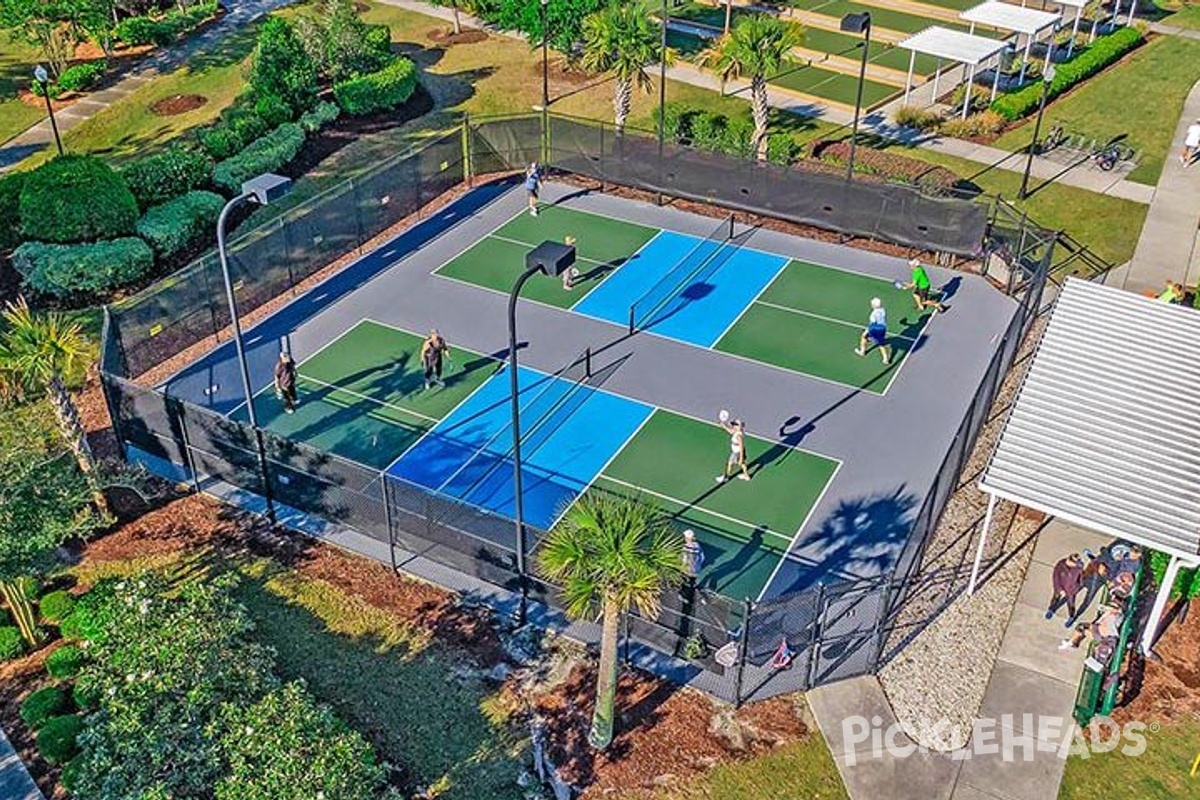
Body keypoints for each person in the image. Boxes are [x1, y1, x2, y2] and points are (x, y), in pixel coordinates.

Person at [1046, 553, 1084, 622]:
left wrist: (1077, 586)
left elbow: (1080, 577)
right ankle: (1051, 609)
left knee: (1071, 604)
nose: (1077, 564)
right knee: (1055, 598)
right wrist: (1059, 589)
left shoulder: (1079, 567)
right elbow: (1056, 577)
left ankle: (1071, 616)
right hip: (1059, 588)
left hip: (1071, 590)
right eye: (1075, 563)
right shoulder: (1061, 564)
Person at [855, 298, 892, 366]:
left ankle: (862, 352)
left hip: (875, 328)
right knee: (881, 344)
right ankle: (885, 359)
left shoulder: (873, 314)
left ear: (873, 305)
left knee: (864, 336)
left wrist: (867, 331)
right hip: (883, 328)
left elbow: (872, 324)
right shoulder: (883, 310)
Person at [716, 417, 751, 483]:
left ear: (739, 426)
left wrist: (741, 457)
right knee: (742, 464)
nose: (733, 426)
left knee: (730, 463)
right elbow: (731, 431)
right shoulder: (737, 431)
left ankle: (726, 477)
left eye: (735, 425)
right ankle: (746, 476)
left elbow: (741, 446)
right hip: (738, 451)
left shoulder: (739, 436)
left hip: (737, 452)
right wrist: (724, 426)